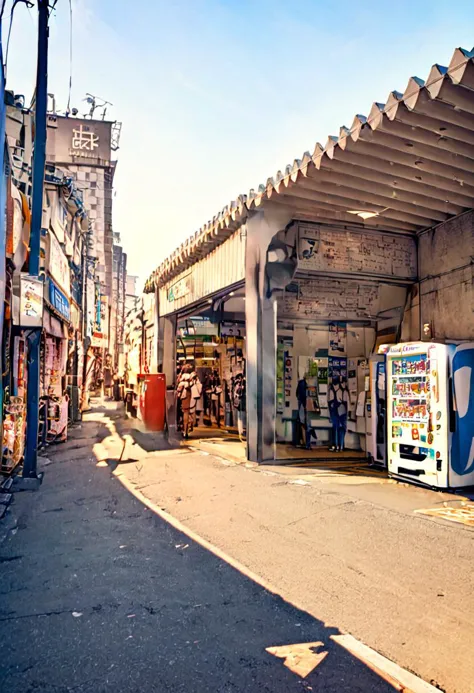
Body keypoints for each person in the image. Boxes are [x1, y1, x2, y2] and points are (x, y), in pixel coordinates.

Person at [176, 365, 201, 439]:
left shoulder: (182, 377)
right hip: (193, 395)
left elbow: (178, 387)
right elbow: (199, 386)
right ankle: (190, 427)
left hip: (185, 395)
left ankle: (185, 431)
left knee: (185, 412)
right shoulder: (194, 377)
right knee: (191, 412)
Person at [328, 375, 349, 452]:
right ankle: (341, 446)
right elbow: (346, 402)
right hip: (342, 410)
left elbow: (330, 402)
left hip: (334, 410)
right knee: (342, 428)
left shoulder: (331, 390)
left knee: (335, 428)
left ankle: (335, 446)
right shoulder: (344, 390)